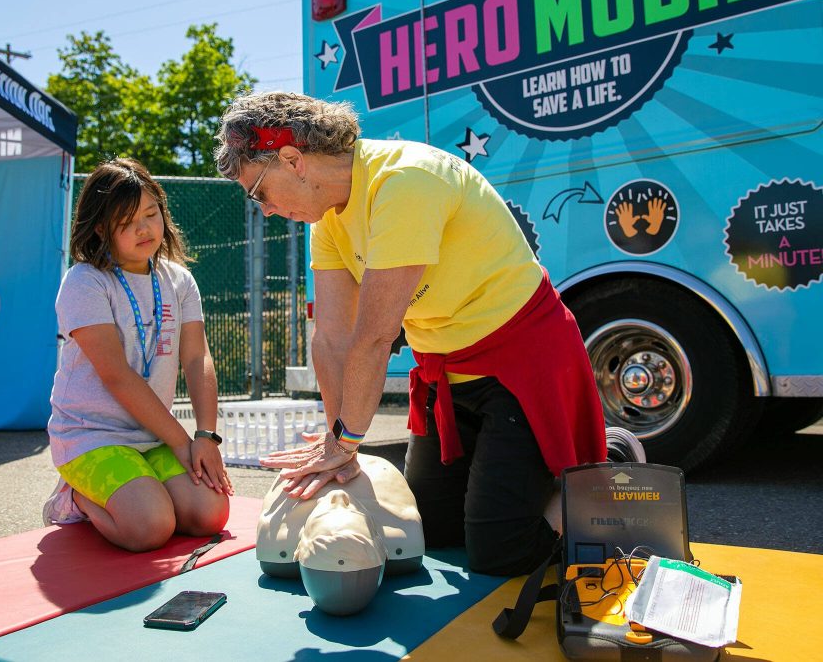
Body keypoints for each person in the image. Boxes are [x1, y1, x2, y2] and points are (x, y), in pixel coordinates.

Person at [215, 92, 642, 578]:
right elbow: (332, 337)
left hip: (522, 363)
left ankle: (608, 458)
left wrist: (346, 443)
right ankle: (538, 468)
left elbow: (374, 337)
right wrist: (339, 445)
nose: (265, 210)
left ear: (293, 160)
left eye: (258, 192)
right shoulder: (328, 217)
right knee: (431, 532)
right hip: (447, 373)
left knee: (502, 552)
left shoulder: (405, 180)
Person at [43, 158, 232, 553]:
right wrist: (182, 444)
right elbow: (117, 375)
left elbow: (197, 358)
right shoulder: (85, 281)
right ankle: (73, 497)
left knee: (209, 514)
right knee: (150, 526)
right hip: (91, 435)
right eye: (127, 222)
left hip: (152, 436)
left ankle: (141, 482)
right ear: (100, 228)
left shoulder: (178, 279)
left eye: (151, 213)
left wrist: (204, 437)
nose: (144, 228)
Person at [256, 452, 425, 615]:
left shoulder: (274, 538)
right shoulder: (404, 529)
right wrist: (343, 444)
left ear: (298, 552)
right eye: (348, 507)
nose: (338, 495)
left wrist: (342, 445)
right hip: (374, 472)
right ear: (384, 550)